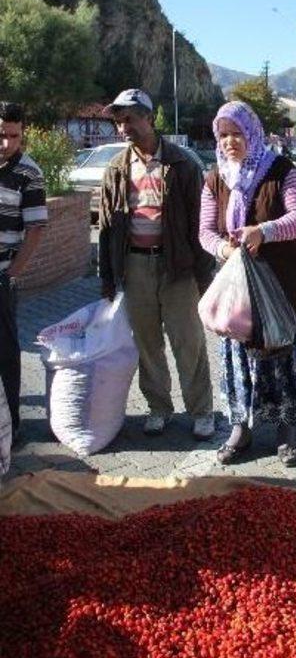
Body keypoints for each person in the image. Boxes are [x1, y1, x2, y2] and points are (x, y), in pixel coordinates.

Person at [199, 101, 296, 467]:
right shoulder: (215, 179)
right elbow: (205, 231)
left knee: (282, 352)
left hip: (283, 286)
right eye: (223, 135)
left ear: (252, 133)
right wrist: (223, 247)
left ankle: (287, 432)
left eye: (237, 133)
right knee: (239, 356)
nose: (229, 142)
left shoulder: (281, 170)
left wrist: (264, 231)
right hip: (239, 289)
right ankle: (240, 429)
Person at [99, 88, 215, 440]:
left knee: (188, 342)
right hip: (135, 267)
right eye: (119, 122)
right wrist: (108, 277)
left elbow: (201, 221)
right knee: (147, 344)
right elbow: (106, 226)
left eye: (130, 119)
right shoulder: (117, 168)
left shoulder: (182, 163)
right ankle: (158, 408)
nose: (124, 128)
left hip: (176, 267)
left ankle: (202, 412)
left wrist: (204, 274)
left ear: (149, 118)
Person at [0, 102, 47, 437]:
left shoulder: (29, 173)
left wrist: (11, 275)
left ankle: (11, 428)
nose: (6, 143)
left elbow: (35, 231)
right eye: (1, 135)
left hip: (1, 275)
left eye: (13, 136)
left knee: (4, 354)